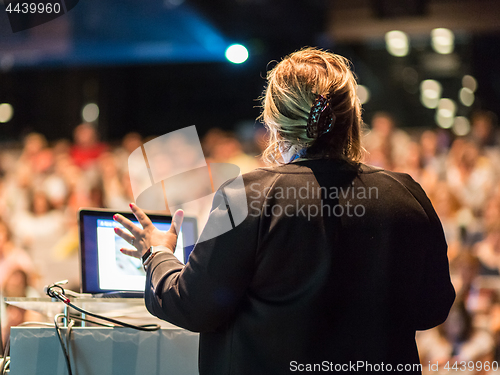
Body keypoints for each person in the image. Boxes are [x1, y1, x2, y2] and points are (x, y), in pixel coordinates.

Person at [114, 48, 455, 374]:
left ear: (274, 123)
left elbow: (192, 305)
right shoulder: (407, 194)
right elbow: (433, 308)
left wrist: (156, 253)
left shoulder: (249, 196)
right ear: (352, 119)